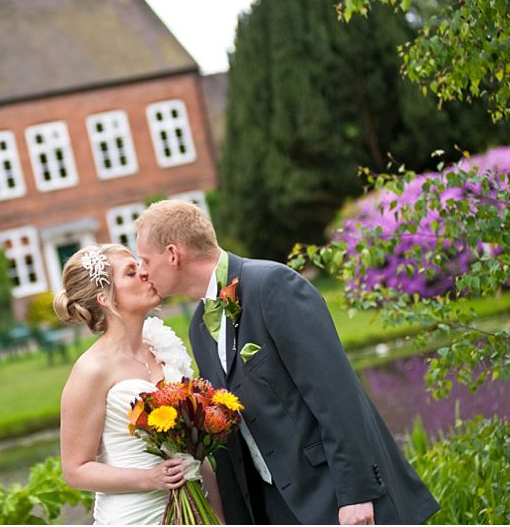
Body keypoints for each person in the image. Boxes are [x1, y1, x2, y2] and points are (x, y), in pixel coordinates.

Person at [135, 200, 440, 525]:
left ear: (173, 254)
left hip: (332, 494)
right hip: (274, 507)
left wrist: (356, 494)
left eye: (145, 260)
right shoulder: (199, 327)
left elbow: (336, 395)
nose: (142, 271)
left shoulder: (273, 285)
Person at [55, 243, 224, 524]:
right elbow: (76, 470)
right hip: (134, 516)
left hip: (194, 511)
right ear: (105, 299)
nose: (145, 273)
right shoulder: (91, 370)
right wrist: (150, 478)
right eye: (131, 272)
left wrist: (219, 516)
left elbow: (194, 451)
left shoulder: (164, 349)